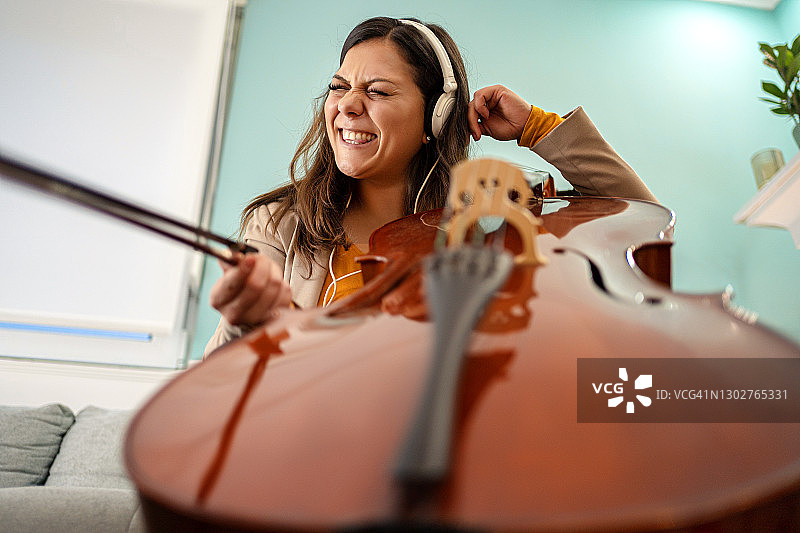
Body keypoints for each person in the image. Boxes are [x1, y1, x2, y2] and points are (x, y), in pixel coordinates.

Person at [204, 16, 656, 356]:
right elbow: (221, 380)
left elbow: (640, 222)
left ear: (435, 118)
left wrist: (537, 127)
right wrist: (245, 323)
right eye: (340, 87)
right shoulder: (281, 223)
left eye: (378, 91)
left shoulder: (488, 220)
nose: (348, 105)